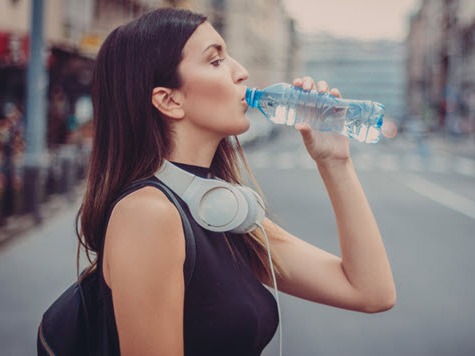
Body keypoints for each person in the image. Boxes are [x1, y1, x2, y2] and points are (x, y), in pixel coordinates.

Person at [77, 7, 395, 356]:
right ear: (169, 100)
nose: (241, 72)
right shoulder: (148, 214)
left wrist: (335, 161)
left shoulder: (221, 208)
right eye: (216, 61)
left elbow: (371, 292)